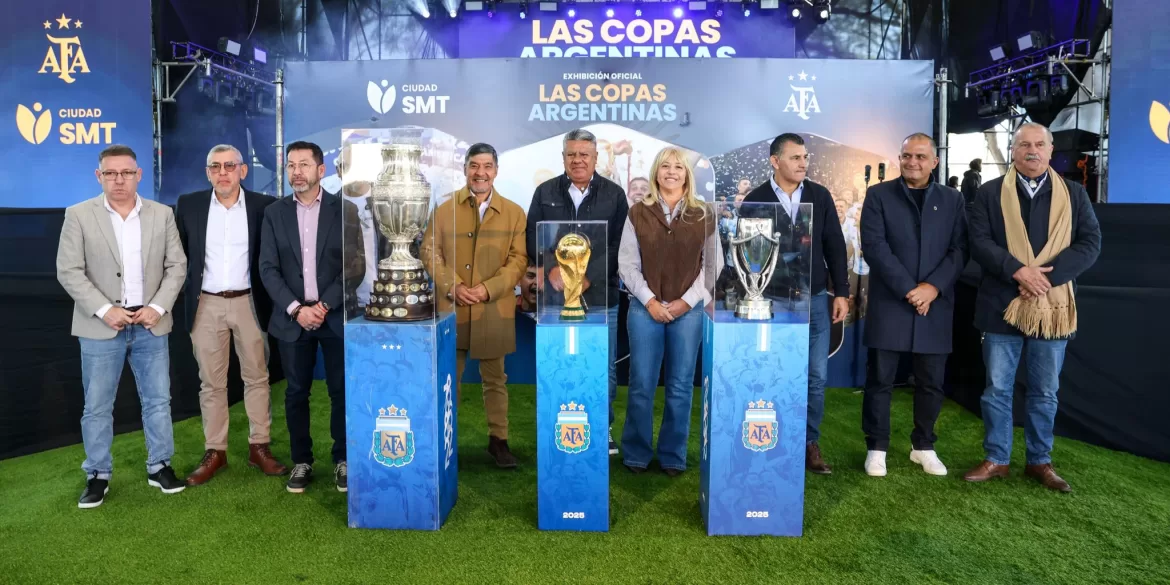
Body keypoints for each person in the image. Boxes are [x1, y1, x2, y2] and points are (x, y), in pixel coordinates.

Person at [963, 123, 1101, 492]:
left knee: (1044, 392)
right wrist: (1018, 271)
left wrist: (1044, 281)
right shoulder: (990, 193)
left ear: (1051, 150)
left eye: (1040, 144)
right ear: (1012, 150)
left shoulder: (1074, 194)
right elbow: (978, 242)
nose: (1032, 151)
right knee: (996, 390)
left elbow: (1090, 243)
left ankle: (1040, 462)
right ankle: (997, 459)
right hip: (1000, 305)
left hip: (1052, 308)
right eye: (1024, 144)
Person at [56, 144, 188, 508]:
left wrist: (157, 308)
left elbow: (177, 266)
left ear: (138, 175)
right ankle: (97, 474)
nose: (118, 180)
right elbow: (68, 270)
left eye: (126, 173)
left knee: (159, 401)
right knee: (97, 406)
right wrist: (103, 309)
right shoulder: (79, 215)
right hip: (101, 327)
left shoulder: (162, 215)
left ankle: (159, 465)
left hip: (150, 324)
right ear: (98, 176)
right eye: (110, 173)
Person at [175, 145, 287, 486]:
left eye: (229, 166)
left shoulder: (264, 206)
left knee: (257, 377)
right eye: (215, 167)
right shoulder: (189, 205)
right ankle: (215, 451)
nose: (222, 172)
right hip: (205, 304)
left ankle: (259, 447)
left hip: (250, 302)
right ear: (208, 172)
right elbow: (178, 257)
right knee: (211, 383)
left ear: (243, 170)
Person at [859, 133, 968, 477]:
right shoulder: (878, 195)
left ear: (934, 162)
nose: (912, 162)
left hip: (935, 305)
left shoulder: (953, 199)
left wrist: (932, 288)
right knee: (880, 380)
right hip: (891, 302)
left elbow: (960, 250)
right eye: (906, 156)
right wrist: (911, 290)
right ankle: (877, 448)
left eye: (920, 157)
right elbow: (874, 247)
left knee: (931, 382)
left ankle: (923, 446)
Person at [259, 141, 363, 494]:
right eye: (291, 165)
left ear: (321, 170)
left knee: (340, 391)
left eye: (304, 165)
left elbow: (354, 266)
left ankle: (343, 459)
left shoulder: (344, 210)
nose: (296, 172)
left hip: (333, 316)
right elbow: (267, 268)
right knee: (296, 392)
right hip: (291, 319)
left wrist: (323, 307)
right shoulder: (274, 213)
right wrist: (297, 309)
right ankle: (302, 461)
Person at [742, 133, 850, 474]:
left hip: (815, 300)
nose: (804, 163)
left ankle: (808, 443)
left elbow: (835, 246)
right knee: (770, 374)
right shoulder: (755, 199)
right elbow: (746, 257)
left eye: (805, 157)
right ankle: (770, 439)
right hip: (771, 304)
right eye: (796, 157)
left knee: (815, 376)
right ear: (776, 161)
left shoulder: (820, 195)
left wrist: (843, 292)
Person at [422, 143, 527, 468]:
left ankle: (499, 441)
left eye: (487, 166)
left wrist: (487, 289)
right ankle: (443, 441)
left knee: (495, 380)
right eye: (474, 166)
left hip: (493, 309)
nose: (480, 172)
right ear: (465, 168)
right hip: (451, 309)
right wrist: (453, 285)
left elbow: (519, 259)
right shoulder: (443, 208)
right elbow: (429, 251)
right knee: (446, 378)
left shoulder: (514, 212)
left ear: (496, 170)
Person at [527, 128, 628, 456]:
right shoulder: (544, 192)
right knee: (558, 362)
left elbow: (619, 246)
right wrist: (551, 268)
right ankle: (556, 425)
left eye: (584, 154)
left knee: (603, 367)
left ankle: (603, 428)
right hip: (555, 298)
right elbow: (533, 237)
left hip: (600, 298)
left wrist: (587, 277)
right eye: (572, 154)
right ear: (563, 158)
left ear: (596, 157)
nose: (578, 160)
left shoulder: (614, 194)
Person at [618, 147, 718, 476]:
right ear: (656, 172)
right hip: (644, 309)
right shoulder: (637, 213)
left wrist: (686, 302)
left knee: (679, 384)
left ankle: (673, 455)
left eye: (678, 166)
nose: (671, 171)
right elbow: (627, 264)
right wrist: (649, 300)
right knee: (642, 383)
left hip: (687, 311)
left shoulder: (704, 214)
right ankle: (635, 453)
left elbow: (713, 267)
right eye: (665, 166)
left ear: (687, 174)